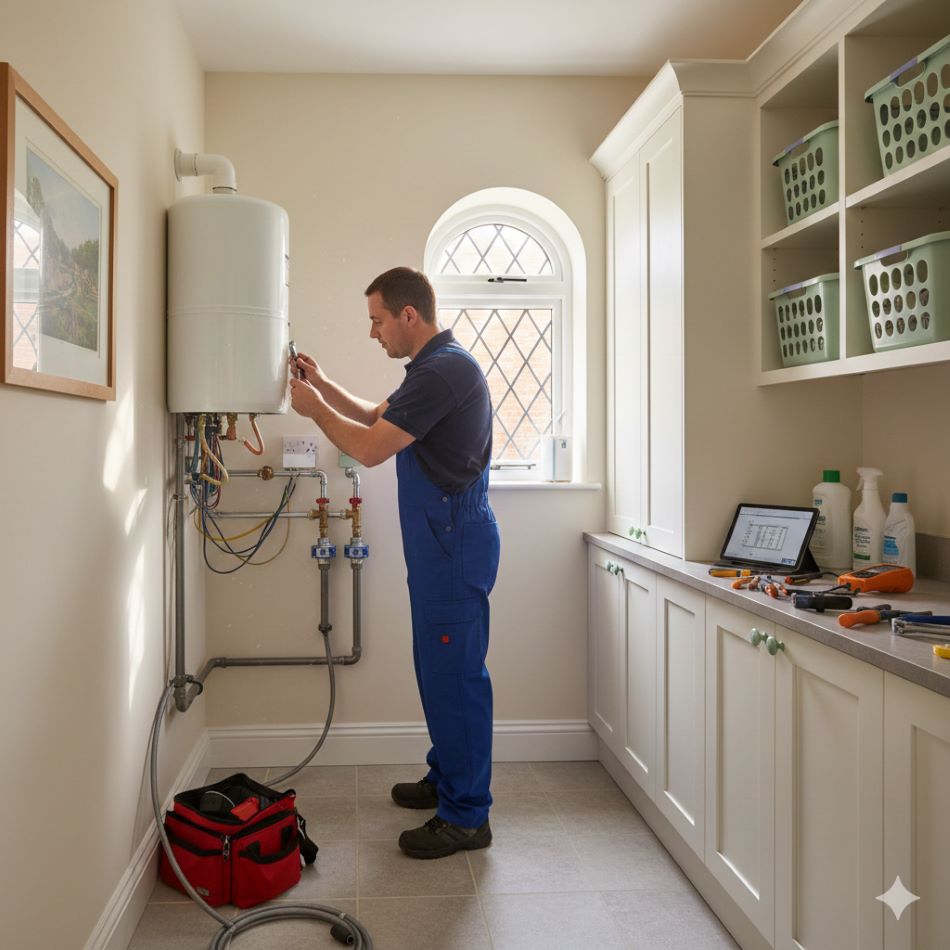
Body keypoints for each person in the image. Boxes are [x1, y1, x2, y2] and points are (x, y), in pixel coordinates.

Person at [289, 266, 500, 860]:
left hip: (452, 544)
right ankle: (449, 778)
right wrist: (323, 384)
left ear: (410, 315)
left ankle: (466, 815)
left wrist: (310, 410)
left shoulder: (445, 372)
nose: (374, 333)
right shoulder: (434, 368)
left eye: (378, 320)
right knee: (437, 669)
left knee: (456, 675)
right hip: (443, 542)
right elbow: (373, 416)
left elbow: (369, 448)